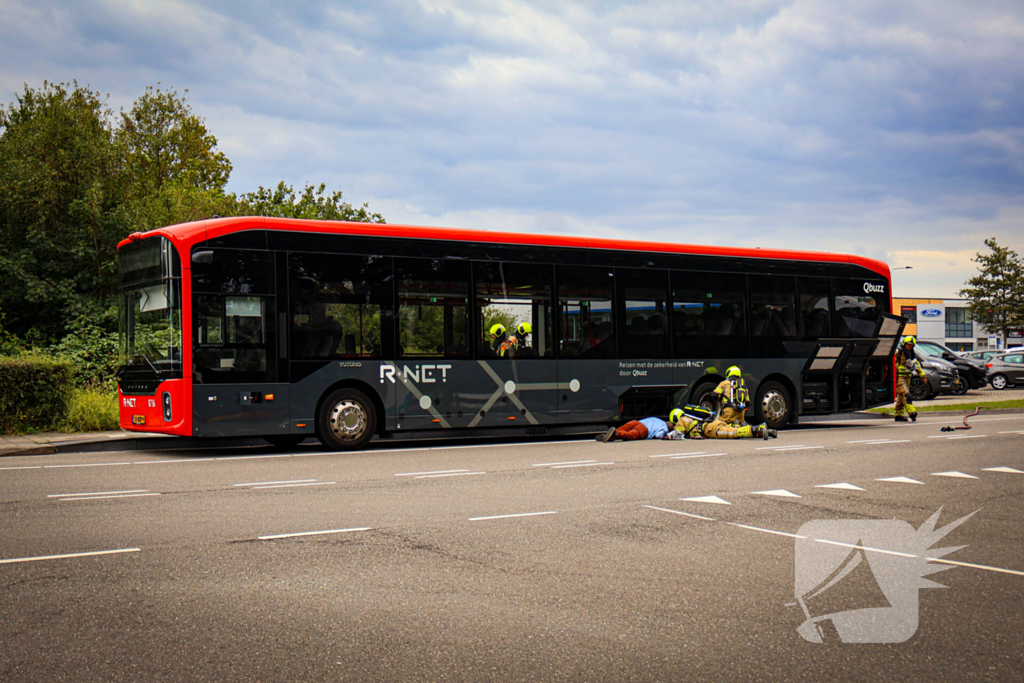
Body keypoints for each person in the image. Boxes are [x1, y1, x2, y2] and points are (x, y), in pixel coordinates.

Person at [668, 407, 775, 440]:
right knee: (732, 429)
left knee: (733, 433)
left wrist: (667, 435)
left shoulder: (681, 421)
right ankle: (765, 430)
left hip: (711, 429)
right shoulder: (690, 417)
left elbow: (678, 434)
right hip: (714, 423)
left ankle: (756, 429)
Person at [894, 335, 926, 422]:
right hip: (900, 377)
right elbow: (892, 363)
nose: (909, 346)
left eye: (911, 345)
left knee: (901, 396)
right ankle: (912, 412)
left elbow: (916, 365)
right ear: (904, 344)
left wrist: (923, 375)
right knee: (906, 394)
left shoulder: (911, 355)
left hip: (908, 377)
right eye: (908, 344)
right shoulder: (898, 353)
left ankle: (898, 415)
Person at [597, 415, 670, 442]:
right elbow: (658, 435)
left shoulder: (657, 419)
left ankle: (611, 434)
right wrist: (665, 434)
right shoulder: (665, 428)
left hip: (636, 422)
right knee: (630, 435)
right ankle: (616, 434)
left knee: (623, 428)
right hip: (644, 429)